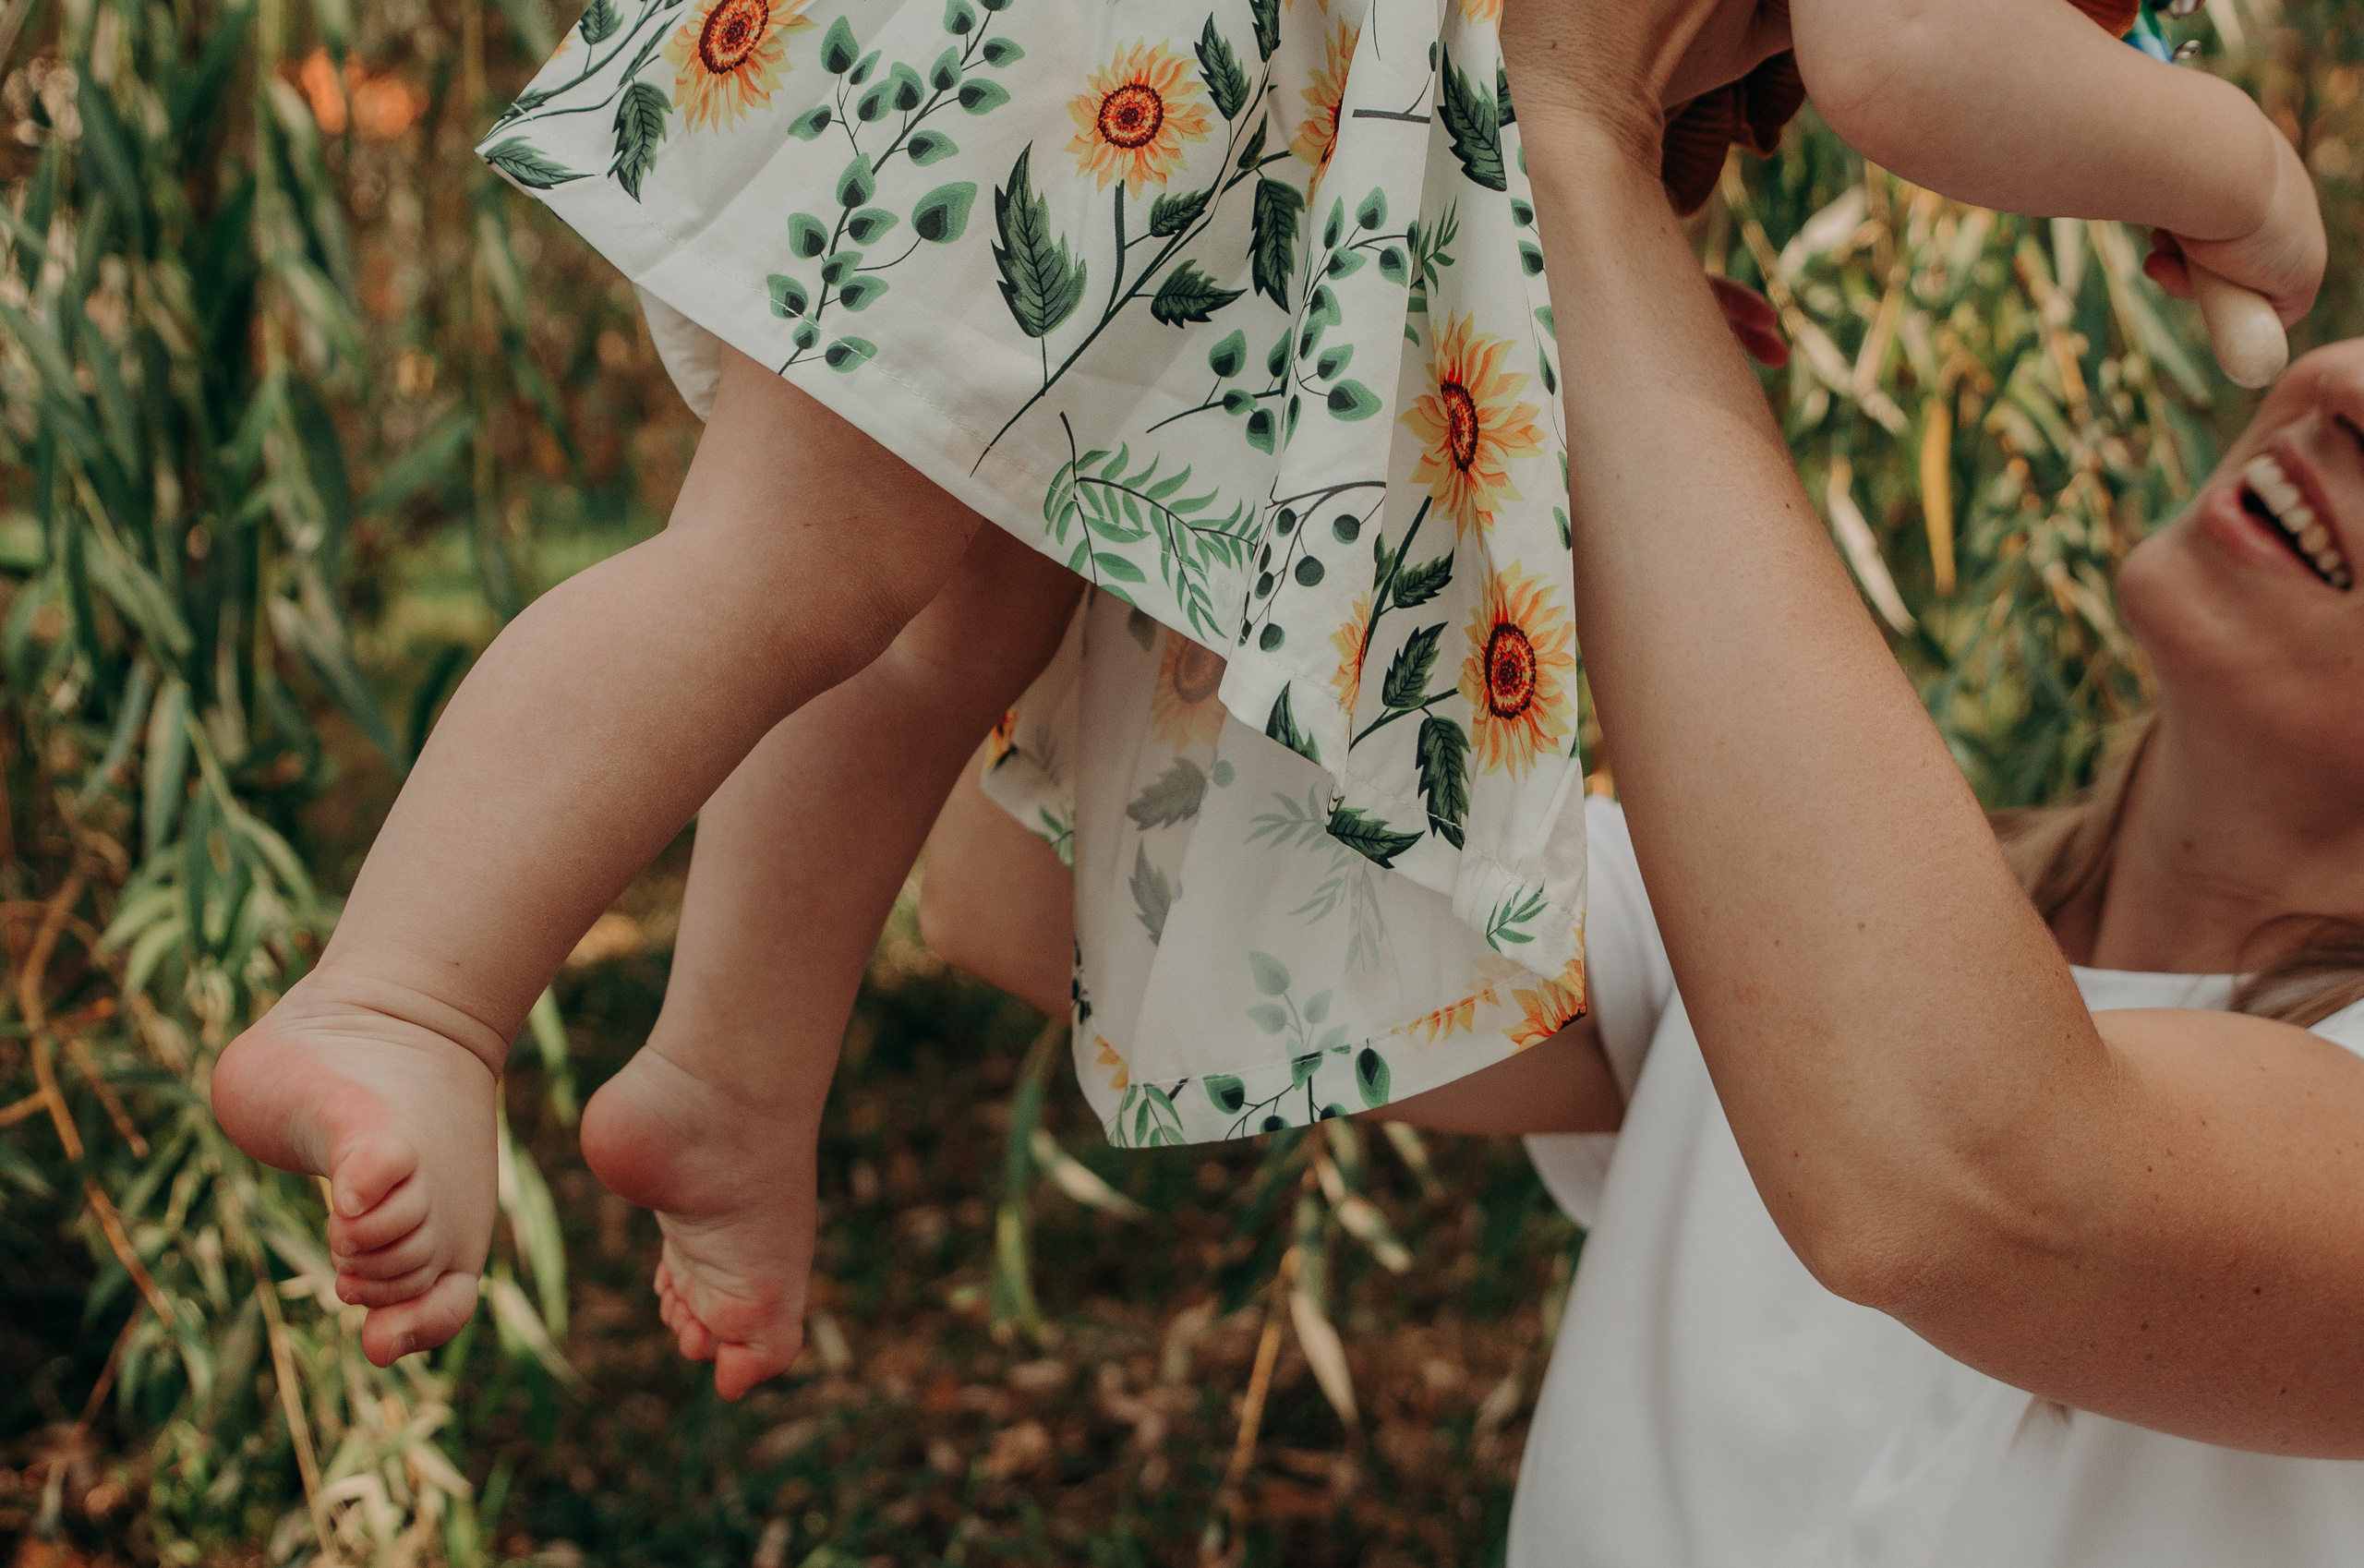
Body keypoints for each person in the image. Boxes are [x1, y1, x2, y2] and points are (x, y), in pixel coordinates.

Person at [204, 0, 2319, 1398]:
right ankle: (405, 994)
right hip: (1136, 74)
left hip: (1206, 121)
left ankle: (730, 1069)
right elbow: (1913, 51)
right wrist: (2226, 165)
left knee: (945, 611)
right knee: (794, 566)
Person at [923, 2, 2364, 1561]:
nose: (2347, 384)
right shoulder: (1734, 931)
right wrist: (1319, 264)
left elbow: (1968, 1175)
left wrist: (1563, 138)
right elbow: (1052, 893)